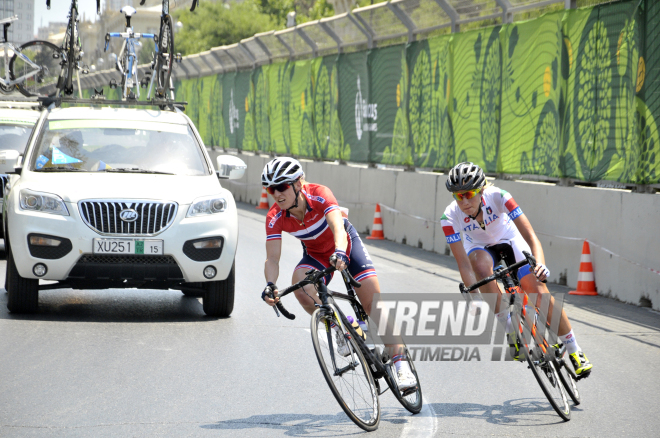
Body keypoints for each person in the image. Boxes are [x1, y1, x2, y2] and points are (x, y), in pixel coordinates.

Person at [260, 157, 418, 390]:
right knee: (301, 287)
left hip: (345, 246)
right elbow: (272, 258)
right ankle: (337, 329)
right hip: (315, 254)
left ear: (299, 183)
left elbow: (337, 227)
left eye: (282, 187)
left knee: (373, 305)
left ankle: (400, 364)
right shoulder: (274, 216)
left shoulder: (320, 194)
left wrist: (341, 252)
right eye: (271, 189)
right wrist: (270, 284)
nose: (276, 194)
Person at [441, 162, 592, 378]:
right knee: (481, 271)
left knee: (538, 292)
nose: (464, 201)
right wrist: (474, 297)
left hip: (510, 240)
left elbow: (531, 236)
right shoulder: (449, 217)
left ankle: (575, 350)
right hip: (479, 248)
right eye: (458, 196)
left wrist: (539, 263)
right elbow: (463, 264)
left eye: (469, 193)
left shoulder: (500, 196)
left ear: (481, 189)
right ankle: (511, 329)